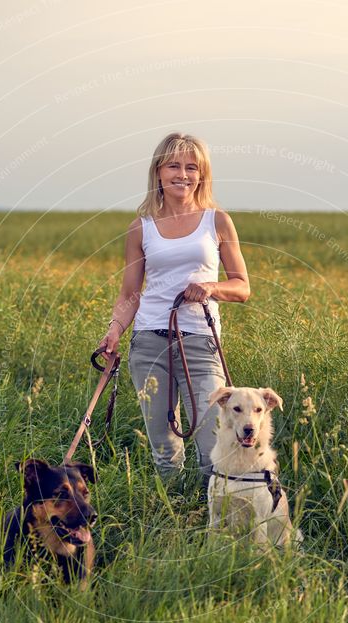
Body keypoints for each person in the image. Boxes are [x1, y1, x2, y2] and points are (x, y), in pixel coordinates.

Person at [98, 132, 250, 492]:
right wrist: (114, 330)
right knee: (163, 446)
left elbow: (242, 286)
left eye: (191, 167)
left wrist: (211, 288)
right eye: (174, 166)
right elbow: (130, 292)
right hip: (150, 342)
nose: (183, 174)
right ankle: (173, 518)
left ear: (201, 174)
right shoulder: (141, 227)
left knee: (211, 441)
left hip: (199, 342)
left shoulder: (217, 221)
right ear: (159, 172)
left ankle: (212, 517)